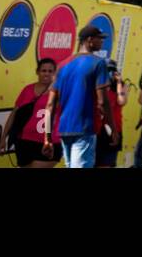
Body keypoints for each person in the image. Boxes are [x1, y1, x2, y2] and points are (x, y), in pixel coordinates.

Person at [43, 24, 112, 169]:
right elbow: (102, 101)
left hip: (64, 129)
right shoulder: (98, 63)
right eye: (100, 39)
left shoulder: (62, 65)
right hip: (85, 128)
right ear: (89, 40)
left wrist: (47, 138)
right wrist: (112, 128)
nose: (102, 42)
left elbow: (49, 105)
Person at [0, 58, 58, 168]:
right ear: (37, 72)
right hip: (24, 141)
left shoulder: (60, 92)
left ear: (55, 73)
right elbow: (14, 114)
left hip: (49, 143)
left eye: (50, 71)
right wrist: (3, 138)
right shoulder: (27, 90)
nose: (46, 74)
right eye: (43, 71)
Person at [95, 59, 128, 168]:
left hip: (114, 130)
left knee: (107, 163)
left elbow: (122, 101)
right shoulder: (97, 86)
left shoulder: (121, 86)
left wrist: (118, 83)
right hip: (97, 130)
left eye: (112, 70)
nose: (109, 73)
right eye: (107, 70)